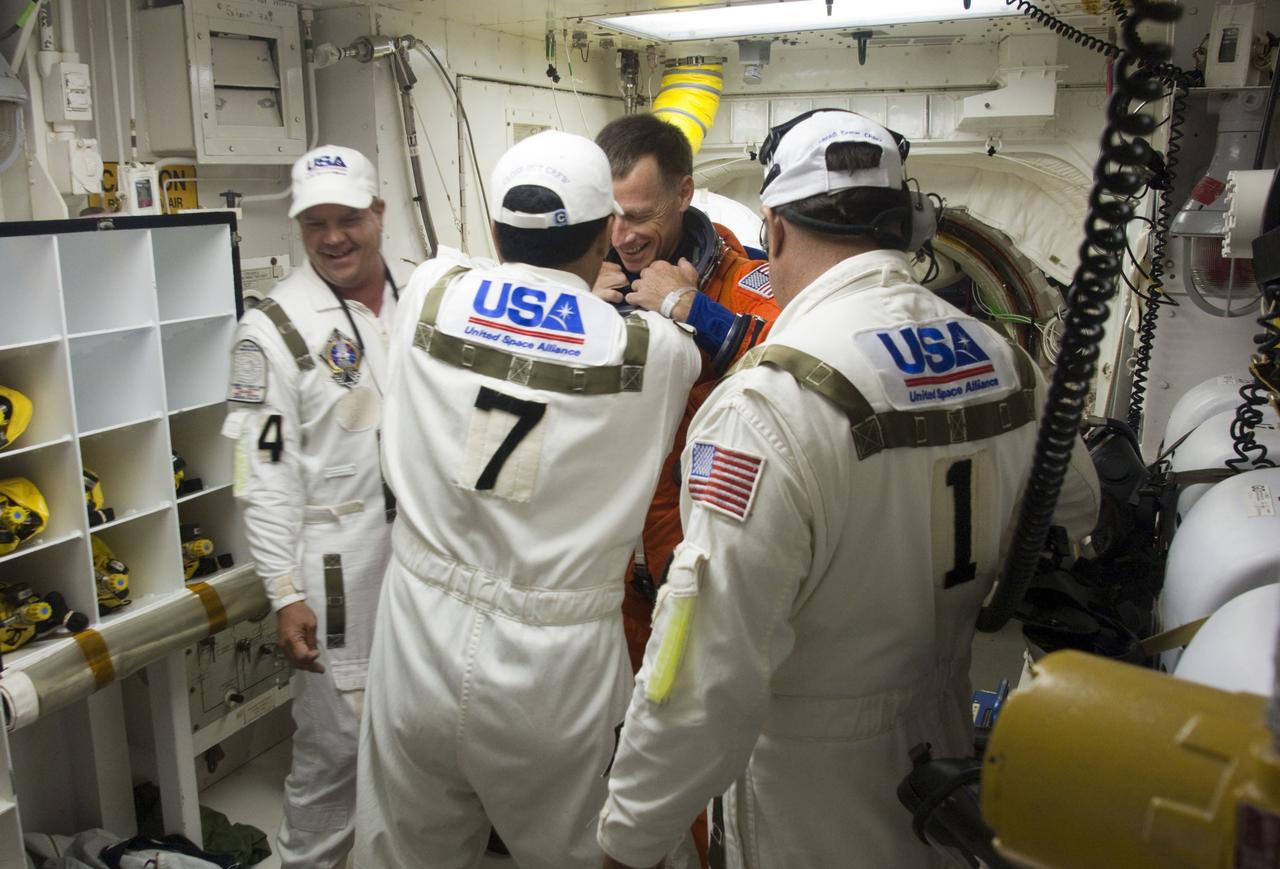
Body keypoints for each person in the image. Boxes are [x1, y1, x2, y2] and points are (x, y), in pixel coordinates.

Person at [597, 110, 1101, 869]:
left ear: (773, 227)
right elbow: (1080, 506)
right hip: (944, 757)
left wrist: (627, 839)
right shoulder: (999, 355)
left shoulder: (770, 400)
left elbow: (702, 673)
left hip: (807, 787)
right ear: (907, 221)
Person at [355, 130, 701, 869]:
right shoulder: (652, 352)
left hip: (416, 634)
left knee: (403, 851)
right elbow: (686, 354)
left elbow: (485, 282)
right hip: (555, 668)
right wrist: (671, 306)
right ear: (609, 233)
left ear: (493, 230)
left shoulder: (429, 291)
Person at [223, 144, 409, 869]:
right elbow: (263, 470)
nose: (333, 237)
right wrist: (283, 589)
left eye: (349, 219)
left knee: (413, 730)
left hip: (424, 550)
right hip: (340, 564)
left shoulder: (421, 289)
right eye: (315, 223)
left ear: (379, 213)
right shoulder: (270, 329)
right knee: (337, 742)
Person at [594, 114, 779, 672]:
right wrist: (575, 298)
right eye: (611, 216)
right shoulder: (579, 274)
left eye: (640, 216)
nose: (622, 236)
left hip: (700, 546)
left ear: (683, 195)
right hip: (604, 556)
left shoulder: (746, 280)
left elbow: (795, 371)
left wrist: (695, 312)